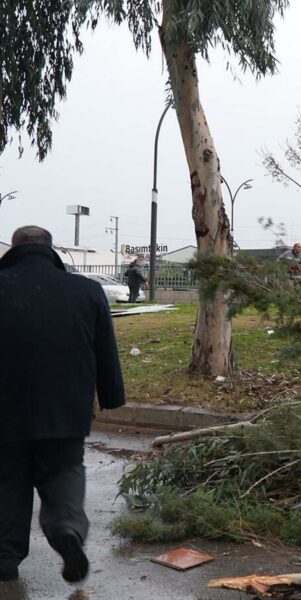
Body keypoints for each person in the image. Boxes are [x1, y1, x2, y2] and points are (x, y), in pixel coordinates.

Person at [0, 226, 126, 584]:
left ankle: (4, 559)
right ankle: (67, 529)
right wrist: (111, 396)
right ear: (51, 249)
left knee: (7, 480)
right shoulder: (86, 290)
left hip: (4, 409)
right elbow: (105, 349)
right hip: (66, 408)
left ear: (13, 249)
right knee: (64, 472)